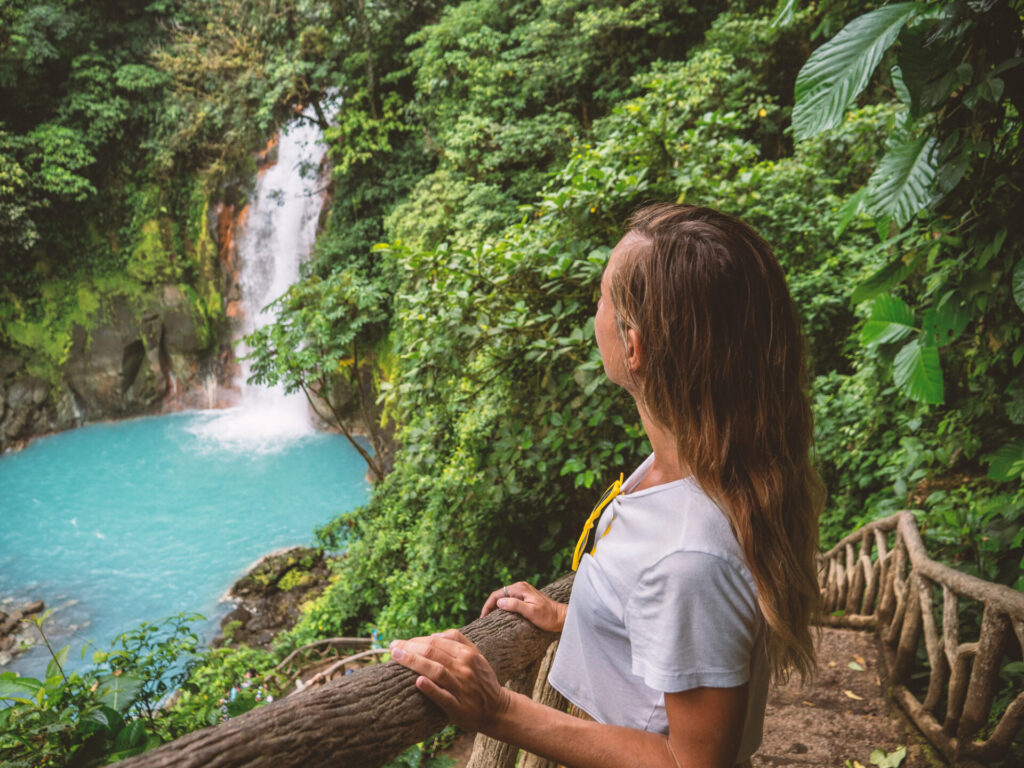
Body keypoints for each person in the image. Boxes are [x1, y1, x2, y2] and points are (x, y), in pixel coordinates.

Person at [391, 203, 823, 768]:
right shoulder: (698, 466)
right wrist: (583, 617)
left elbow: (688, 762)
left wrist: (497, 710)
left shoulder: (692, 553)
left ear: (634, 347)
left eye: (601, 299)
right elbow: (670, 633)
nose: (593, 313)